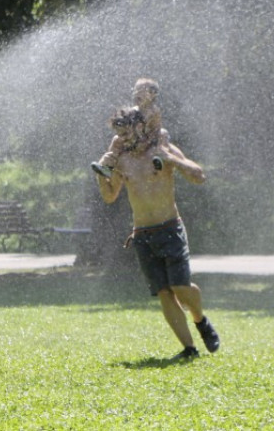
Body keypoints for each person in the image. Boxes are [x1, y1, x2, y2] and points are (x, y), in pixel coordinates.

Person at [94, 107, 220, 360]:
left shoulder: (162, 149)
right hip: (142, 233)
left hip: (170, 228)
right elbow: (109, 196)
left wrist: (173, 161)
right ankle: (189, 349)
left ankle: (201, 320)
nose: (122, 139)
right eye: (119, 134)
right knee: (164, 292)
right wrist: (101, 173)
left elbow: (199, 176)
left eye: (126, 132)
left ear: (140, 127)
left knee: (181, 288)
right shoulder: (121, 159)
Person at [92, 78, 171, 178]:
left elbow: (156, 128)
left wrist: (148, 138)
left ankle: (159, 159)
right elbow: (125, 123)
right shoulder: (134, 111)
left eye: (142, 90)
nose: (137, 93)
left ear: (153, 94)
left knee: (163, 134)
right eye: (135, 90)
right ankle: (107, 166)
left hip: (150, 138)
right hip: (135, 138)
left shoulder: (154, 112)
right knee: (116, 140)